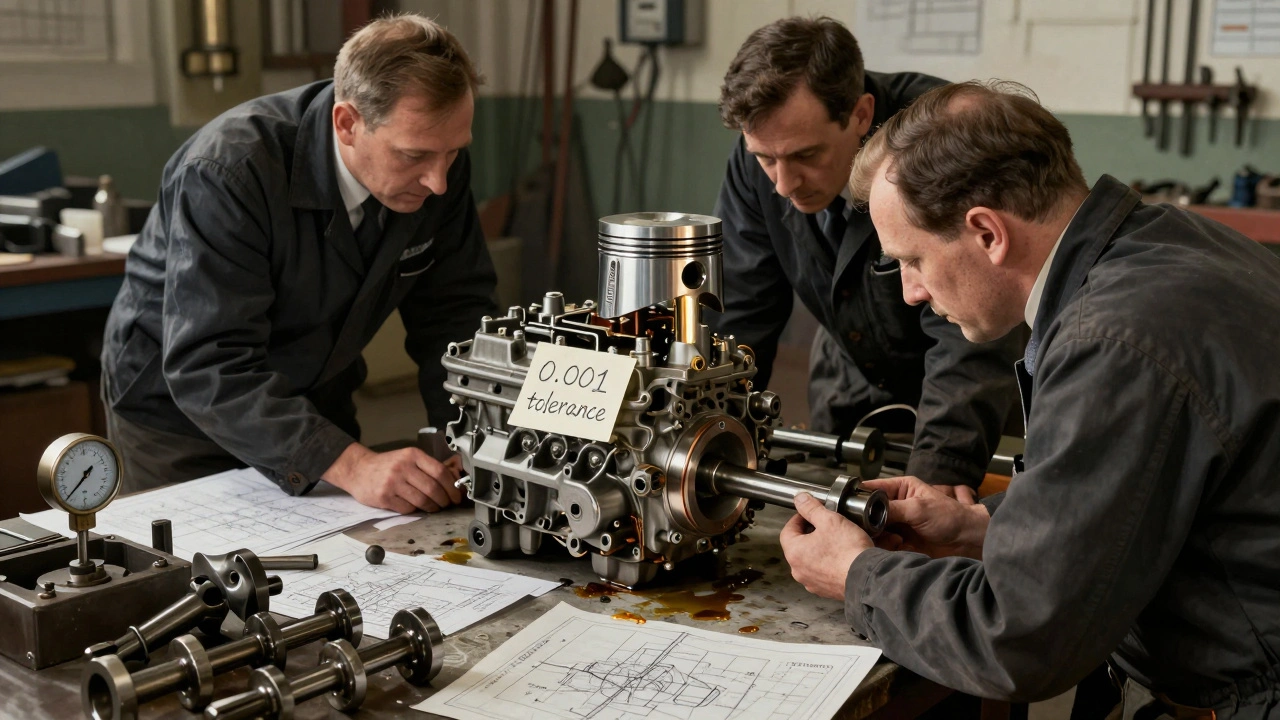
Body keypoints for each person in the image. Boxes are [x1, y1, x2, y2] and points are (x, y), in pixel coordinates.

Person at [780, 80, 1280, 719]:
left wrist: (857, 576)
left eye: (912, 260)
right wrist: (984, 527)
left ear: (987, 232)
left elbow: (1018, 639)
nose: (910, 293)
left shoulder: (1115, 340)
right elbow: (1147, 490)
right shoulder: (1164, 245)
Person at [101, 14, 498, 514]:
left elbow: (455, 315)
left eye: (453, 154)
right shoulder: (229, 171)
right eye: (413, 155)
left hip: (314, 395)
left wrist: (470, 441)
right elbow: (209, 362)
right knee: (198, 577)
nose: (438, 181)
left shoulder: (435, 168)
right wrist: (354, 465)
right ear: (347, 123)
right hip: (184, 417)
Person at [711, 16, 1022, 494]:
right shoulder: (762, 161)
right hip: (852, 379)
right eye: (765, 158)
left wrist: (933, 487)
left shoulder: (943, 141)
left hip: (979, 392)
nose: (782, 184)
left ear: (861, 114)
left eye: (806, 156)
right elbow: (743, 315)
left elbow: (969, 340)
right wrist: (711, 446)